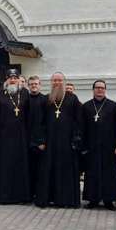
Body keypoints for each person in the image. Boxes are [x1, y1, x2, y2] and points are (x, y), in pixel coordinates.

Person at [34, 72, 83, 208]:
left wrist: (76, 139)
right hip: (49, 143)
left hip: (67, 143)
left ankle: (66, 200)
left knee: (66, 172)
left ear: (64, 82)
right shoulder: (45, 100)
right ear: (51, 82)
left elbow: (78, 121)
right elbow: (40, 123)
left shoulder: (72, 99)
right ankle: (48, 199)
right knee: (48, 171)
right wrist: (41, 141)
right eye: (54, 80)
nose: (57, 83)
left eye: (59, 80)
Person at [0, 69, 32, 204]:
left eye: (15, 77)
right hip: (4, 137)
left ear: (19, 79)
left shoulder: (25, 93)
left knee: (20, 166)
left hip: (21, 137)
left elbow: (30, 116)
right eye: (10, 77)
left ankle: (21, 197)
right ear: (6, 79)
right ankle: (4, 196)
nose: (13, 80)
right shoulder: (0, 94)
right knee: (5, 167)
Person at [82, 80, 116, 211]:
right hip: (92, 146)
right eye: (97, 88)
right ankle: (92, 199)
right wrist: (83, 146)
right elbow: (82, 128)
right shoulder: (86, 106)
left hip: (109, 147)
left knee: (109, 174)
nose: (100, 90)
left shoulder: (113, 106)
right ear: (93, 89)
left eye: (102, 88)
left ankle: (109, 200)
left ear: (105, 90)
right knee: (92, 173)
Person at [28, 75, 47, 199]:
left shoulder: (45, 100)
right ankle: (29, 194)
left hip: (41, 143)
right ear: (28, 86)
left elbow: (47, 122)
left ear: (40, 85)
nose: (34, 86)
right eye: (31, 84)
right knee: (28, 170)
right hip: (27, 141)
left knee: (41, 171)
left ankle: (40, 195)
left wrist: (43, 141)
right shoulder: (24, 99)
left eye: (36, 84)